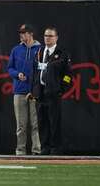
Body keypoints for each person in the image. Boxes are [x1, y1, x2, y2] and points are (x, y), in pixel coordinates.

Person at [30, 26, 71, 155]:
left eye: (50, 36)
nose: (47, 38)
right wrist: (34, 90)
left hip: (53, 93)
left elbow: (68, 74)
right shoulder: (40, 52)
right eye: (45, 36)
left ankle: (55, 148)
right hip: (40, 93)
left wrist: (61, 89)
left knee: (54, 122)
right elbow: (35, 72)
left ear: (56, 37)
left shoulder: (62, 54)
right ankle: (45, 147)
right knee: (42, 122)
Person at [7, 23, 42, 156]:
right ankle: (20, 150)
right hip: (19, 91)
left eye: (24, 33)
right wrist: (17, 74)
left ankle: (36, 150)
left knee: (35, 123)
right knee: (21, 125)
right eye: (20, 33)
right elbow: (9, 68)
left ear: (31, 34)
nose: (21, 35)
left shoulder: (40, 49)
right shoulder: (16, 50)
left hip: (34, 91)